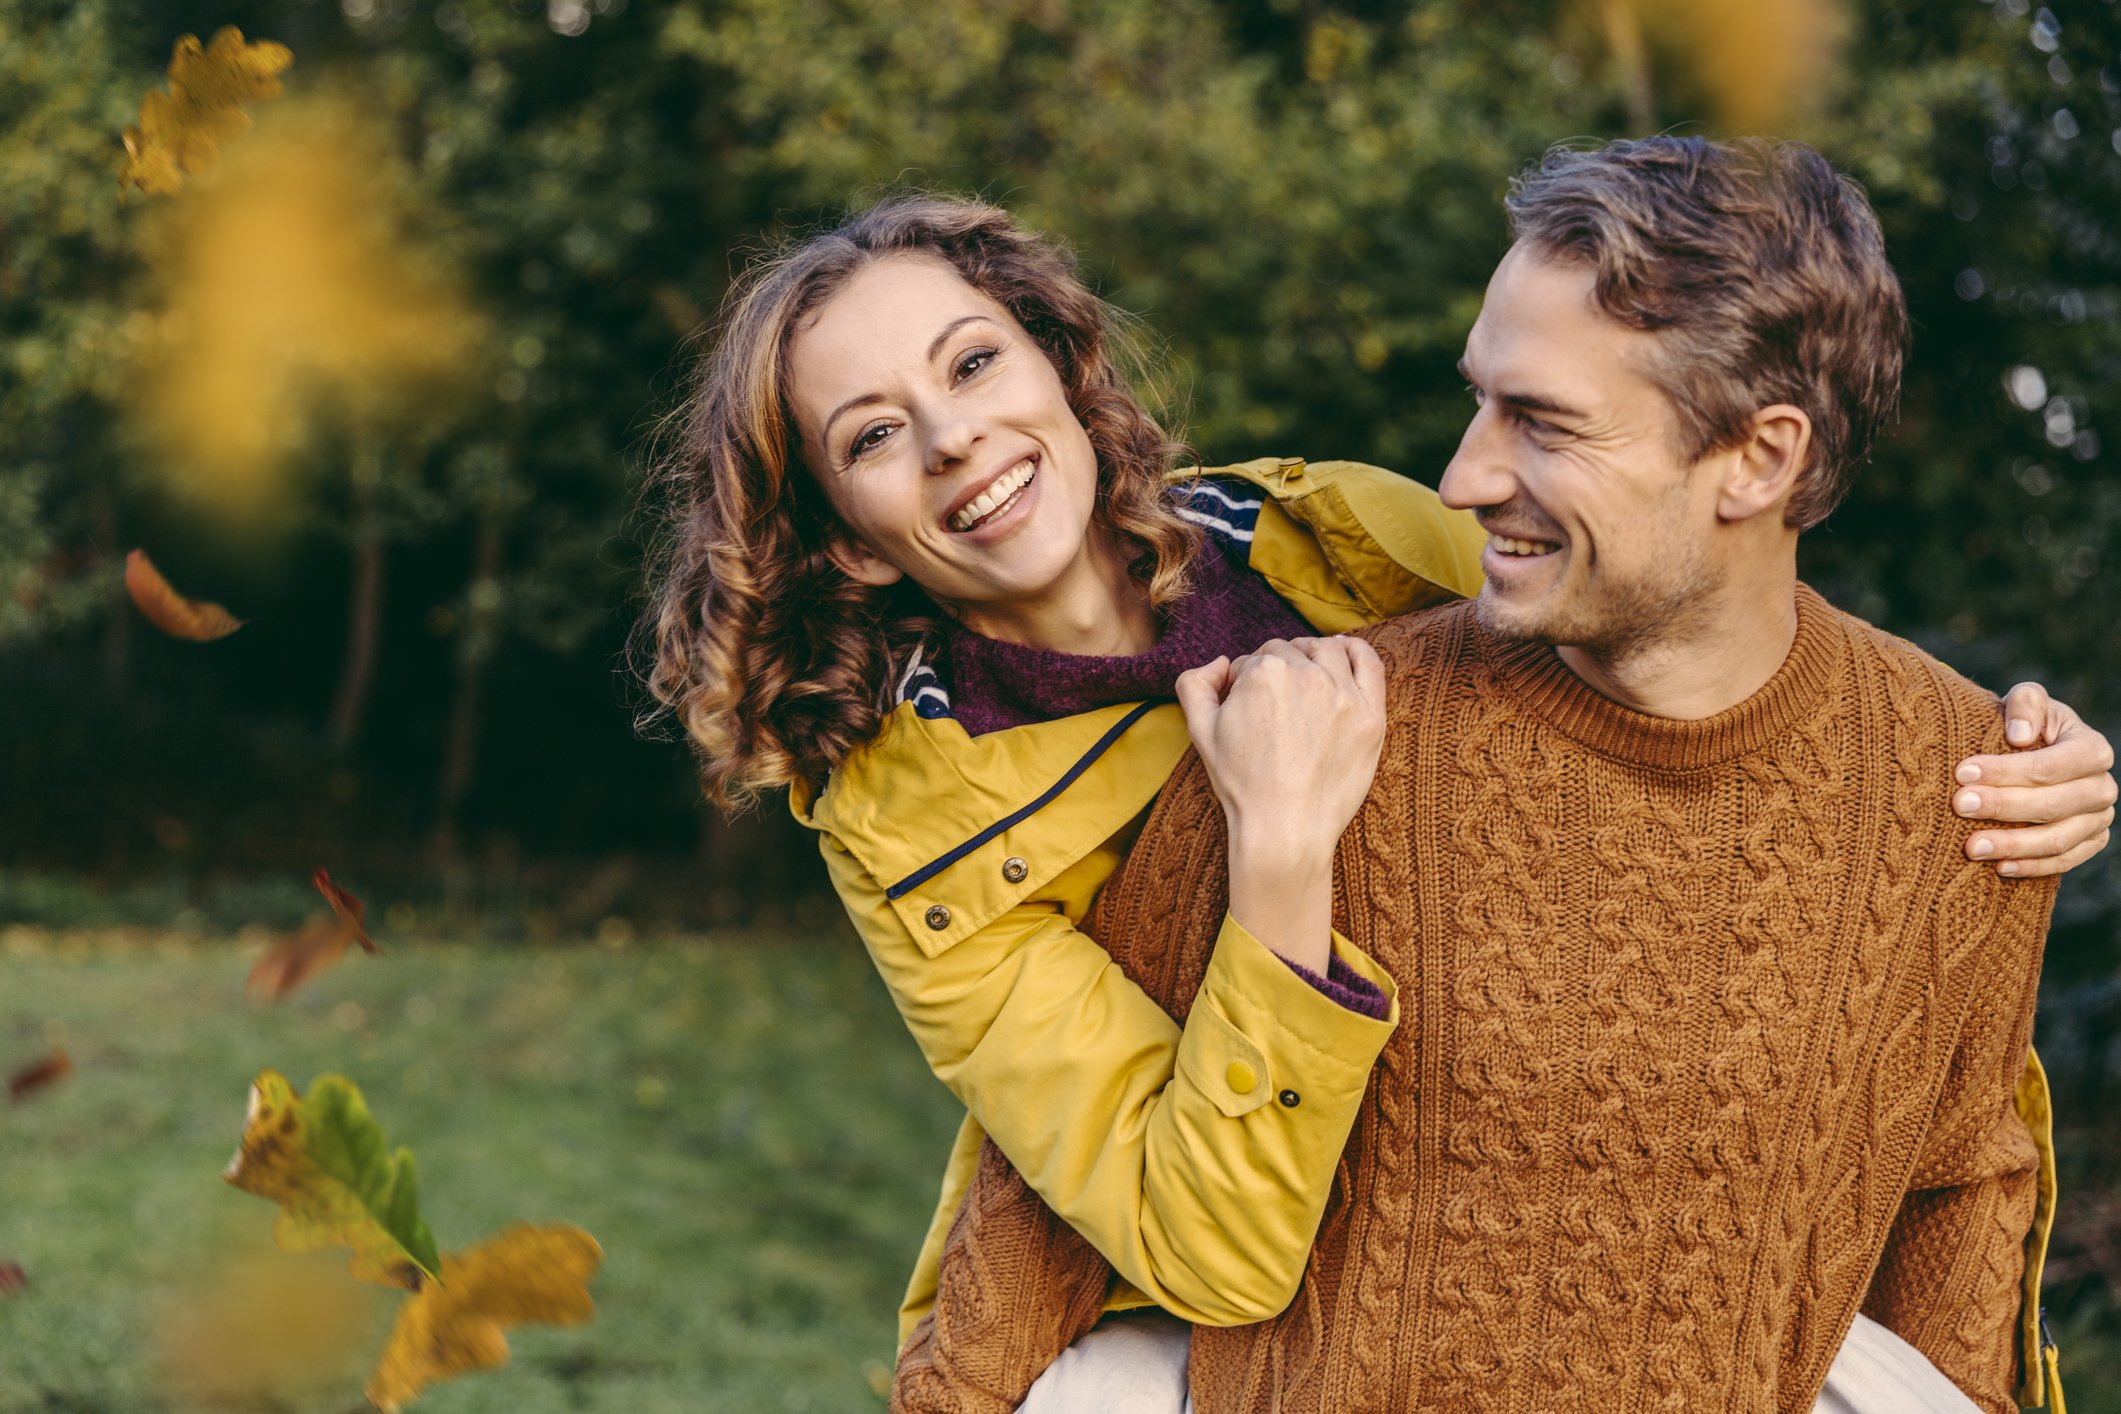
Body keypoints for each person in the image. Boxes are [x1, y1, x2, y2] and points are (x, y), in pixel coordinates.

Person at [635, 193, 2114, 1403]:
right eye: (872, 436)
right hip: (1208, 1298)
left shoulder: (1329, 536)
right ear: (855, 538)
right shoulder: (918, 834)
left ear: (1055, 367)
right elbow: (1198, 1246)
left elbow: (1660, 591)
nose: (951, 435)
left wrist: (1974, 756)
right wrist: (1279, 857)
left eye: (970, 364)